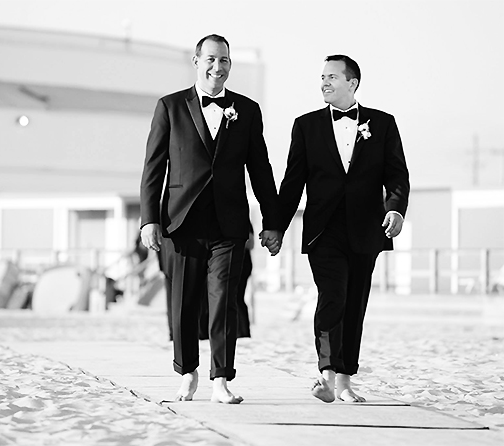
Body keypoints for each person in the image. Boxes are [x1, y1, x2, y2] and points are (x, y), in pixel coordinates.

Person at [139, 34, 281, 404]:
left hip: (229, 225)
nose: (218, 67)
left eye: (225, 61)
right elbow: (154, 167)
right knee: (183, 303)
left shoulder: (247, 111)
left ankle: (221, 379)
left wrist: (273, 221)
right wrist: (148, 219)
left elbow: (261, 170)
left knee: (224, 302)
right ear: (196, 61)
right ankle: (188, 372)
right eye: (212, 59)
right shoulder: (169, 106)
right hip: (180, 224)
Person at [276, 55, 410, 403]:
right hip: (323, 229)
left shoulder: (382, 124)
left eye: (332, 77)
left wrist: (394, 210)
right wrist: (275, 225)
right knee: (332, 295)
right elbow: (293, 182)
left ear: (352, 83)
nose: (324, 82)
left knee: (355, 303)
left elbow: (397, 175)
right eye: (322, 77)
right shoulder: (305, 126)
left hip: (367, 228)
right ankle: (326, 374)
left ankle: (346, 380)